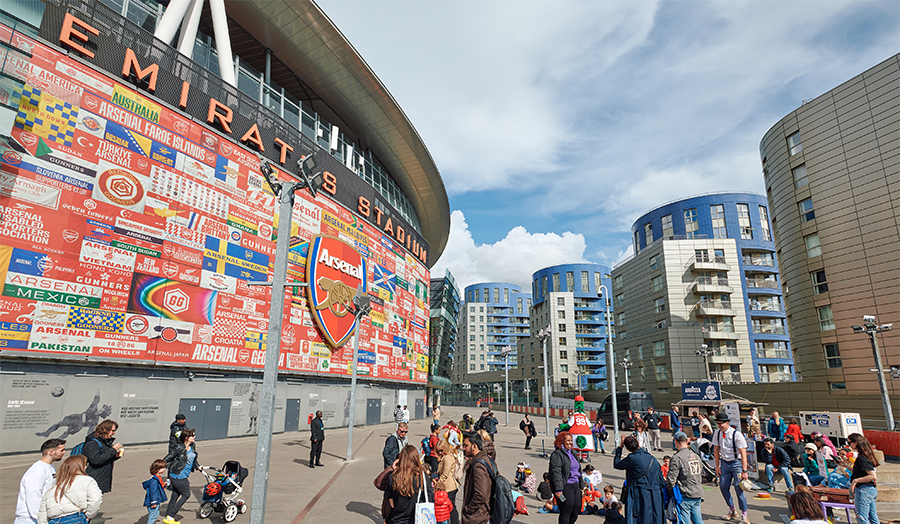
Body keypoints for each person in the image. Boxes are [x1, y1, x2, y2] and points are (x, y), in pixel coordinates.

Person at [613, 434, 664, 524]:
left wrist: (620, 448)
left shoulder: (632, 458)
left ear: (628, 449)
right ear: (638, 443)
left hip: (639, 494)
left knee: (639, 518)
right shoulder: (653, 458)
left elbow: (616, 464)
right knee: (655, 519)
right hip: (655, 495)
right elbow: (661, 479)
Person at [37, 455, 102, 524]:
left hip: (54, 520)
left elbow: (42, 516)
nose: (86, 466)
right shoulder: (88, 481)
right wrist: (89, 515)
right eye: (85, 464)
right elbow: (96, 499)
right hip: (76, 518)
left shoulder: (52, 489)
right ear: (80, 467)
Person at [15, 438, 67, 524]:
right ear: (51, 452)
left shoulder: (50, 467)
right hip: (30, 520)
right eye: (62, 450)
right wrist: (41, 519)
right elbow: (33, 497)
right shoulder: (38, 470)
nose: (64, 452)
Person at [711, 413, 749, 524]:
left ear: (727, 423)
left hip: (736, 463)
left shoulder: (736, 435)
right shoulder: (717, 433)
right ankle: (732, 510)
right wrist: (717, 466)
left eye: (720, 424)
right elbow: (716, 450)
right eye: (717, 424)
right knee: (723, 487)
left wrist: (744, 470)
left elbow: (743, 453)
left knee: (739, 489)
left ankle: (744, 515)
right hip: (724, 463)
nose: (718, 426)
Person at [163, 428, 203, 524]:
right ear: (186, 437)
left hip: (184, 474)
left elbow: (193, 460)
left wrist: (198, 466)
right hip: (177, 475)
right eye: (192, 435)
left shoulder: (192, 446)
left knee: (175, 496)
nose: (194, 437)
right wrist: (159, 467)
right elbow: (168, 458)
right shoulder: (178, 447)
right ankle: (171, 516)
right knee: (186, 494)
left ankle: (167, 517)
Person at [385, 445, 433, 524]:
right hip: (418, 519)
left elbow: (390, 501)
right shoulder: (422, 476)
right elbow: (431, 498)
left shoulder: (393, 477)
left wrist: (392, 469)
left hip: (397, 519)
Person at [667, 431, 703, 524]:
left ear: (675, 441)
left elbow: (671, 480)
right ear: (687, 441)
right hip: (697, 492)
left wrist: (670, 493)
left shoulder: (677, 458)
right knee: (698, 520)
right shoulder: (696, 456)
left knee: (684, 521)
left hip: (685, 494)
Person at [550, 431, 586, 524]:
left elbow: (578, 470)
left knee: (576, 510)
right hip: (565, 486)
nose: (570, 442)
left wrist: (582, 486)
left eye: (571, 440)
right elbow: (556, 473)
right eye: (568, 440)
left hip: (576, 485)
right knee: (566, 510)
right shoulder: (557, 454)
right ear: (562, 441)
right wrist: (558, 490)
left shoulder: (573, 453)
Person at [83, 419, 123, 494]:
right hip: (93, 478)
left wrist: (115, 456)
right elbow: (96, 459)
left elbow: (104, 457)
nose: (114, 433)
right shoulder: (92, 443)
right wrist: (113, 449)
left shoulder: (105, 442)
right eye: (112, 430)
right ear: (105, 430)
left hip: (101, 478)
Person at [848, 433, 880, 524]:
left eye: (849, 442)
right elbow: (860, 472)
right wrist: (845, 465)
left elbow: (873, 476)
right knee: (873, 518)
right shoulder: (865, 456)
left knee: (862, 518)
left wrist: (855, 480)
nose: (849, 444)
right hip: (871, 490)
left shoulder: (862, 458)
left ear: (856, 443)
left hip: (864, 490)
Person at [461, 431, 492, 524]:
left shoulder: (479, 465)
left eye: (466, 445)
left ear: (474, 446)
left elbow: (481, 494)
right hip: (481, 514)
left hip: (477, 517)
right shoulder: (486, 459)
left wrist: (468, 509)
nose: (463, 448)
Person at [435, 441, 460, 524]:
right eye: (438, 451)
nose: (440, 452)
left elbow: (446, 473)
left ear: (445, 448)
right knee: (450, 507)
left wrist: (438, 484)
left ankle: (454, 522)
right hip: (448, 485)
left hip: (449, 486)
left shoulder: (448, 457)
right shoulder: (444, 456)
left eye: (441, 450)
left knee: (451, 507)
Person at [143, 459, 168, 524]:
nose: (164, 469)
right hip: (153, 501)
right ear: (157, 469)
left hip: (154, 500)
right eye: (162, 468)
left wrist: (164, 485)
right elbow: (153, 492)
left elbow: (158, 488)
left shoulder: (156, 477)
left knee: (154, 515)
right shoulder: (154, 480)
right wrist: (153, 502)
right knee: (153, 516)